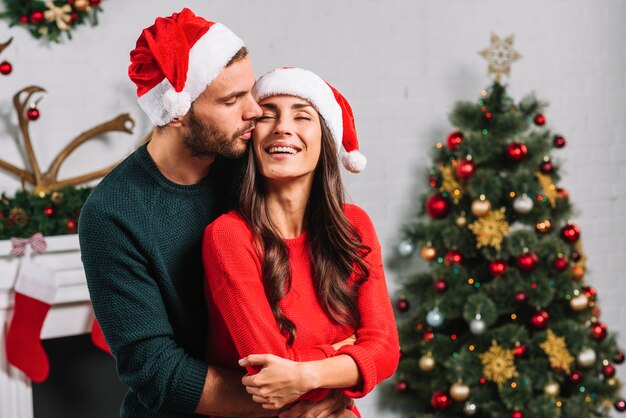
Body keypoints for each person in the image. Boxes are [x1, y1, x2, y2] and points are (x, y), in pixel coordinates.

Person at [79, 9, 354, 418]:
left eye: (250, 92)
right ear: (175, 112)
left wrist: (319, 380)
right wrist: (298, 400)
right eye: (231, 100)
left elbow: (323, 290)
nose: (255, 112)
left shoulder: (249, 165)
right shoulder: (112, 214)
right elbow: (159, 372)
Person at [202, 67, 400, 418]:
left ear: (325, 138)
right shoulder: (228, 236)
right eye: (267, 115)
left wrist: (306, 375)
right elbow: (270, 376)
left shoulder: (354, 225)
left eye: (302, 115)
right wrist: (347, 358)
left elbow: (386, 350)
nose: (282, 127)